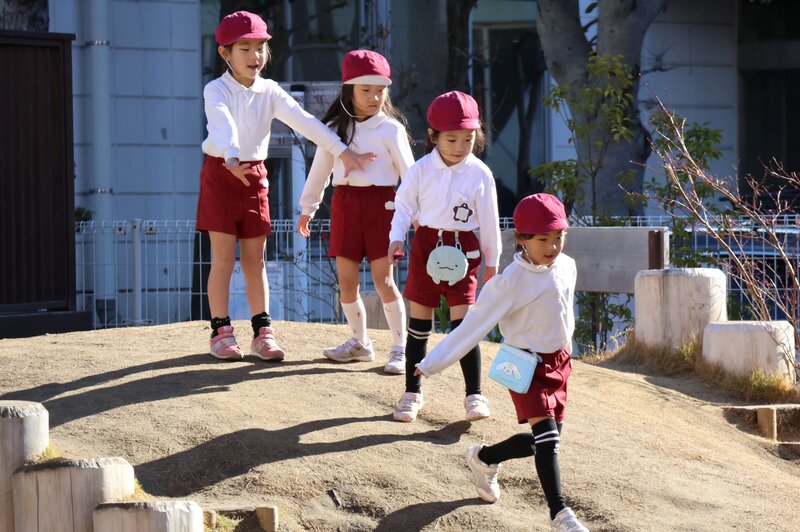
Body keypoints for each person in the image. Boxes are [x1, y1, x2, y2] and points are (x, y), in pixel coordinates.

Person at [198, 11, 375, 361]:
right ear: (225, 53)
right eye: (245, 48)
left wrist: (342, 151)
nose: (255, 56)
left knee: (256, 259)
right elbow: (223, 125)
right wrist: (231, 157)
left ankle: (263, 333)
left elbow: (305, 121)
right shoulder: (215, 89)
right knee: (223, 258)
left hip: (254, 176)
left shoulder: (270, 90)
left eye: (260, 47)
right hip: (221, 173)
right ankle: (220, 332)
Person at [414, 193, 589, 532]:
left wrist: (567, 353)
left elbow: (564, 313)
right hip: (527, 366)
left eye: (559, 237)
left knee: (545, 441)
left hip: (560, 363)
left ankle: (484, 458)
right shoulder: (510, 282)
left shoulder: (567, 265)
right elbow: (472, 325)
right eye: (543, 239)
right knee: (548, 441)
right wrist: (432, 362)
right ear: (521, 239)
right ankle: (560, 515)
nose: (553, 246)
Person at [296, 50, 415, 374]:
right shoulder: (333, 127)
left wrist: (416, 213)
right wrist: (308, 208)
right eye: (366, 90)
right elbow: (320, 171)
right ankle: (360, 343)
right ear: (349, 88)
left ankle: (399, 350)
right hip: (345, 206)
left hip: (383, 207)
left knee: (384, 281)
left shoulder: (391, 129)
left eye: (380, 90)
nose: (374, 97)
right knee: (346, 284)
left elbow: (411, 175)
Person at [387, 91, 501, 422]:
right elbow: (404, 206)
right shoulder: (421, 170)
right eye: (451, 139)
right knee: (419, 323)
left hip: (465, 249)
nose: (460, 146)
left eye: (468, 139)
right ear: (433, 136)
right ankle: (412, 392)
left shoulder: (480, 173)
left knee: (464, 326)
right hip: (426, 245)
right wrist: (396, 238)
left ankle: (474, 395)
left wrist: (492, 261)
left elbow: (490, 220)